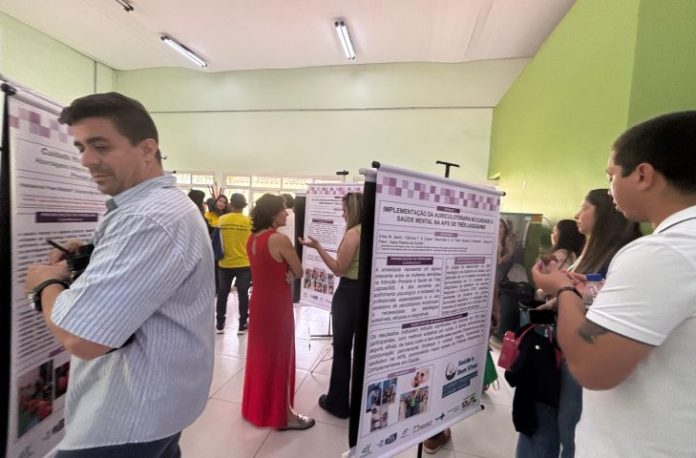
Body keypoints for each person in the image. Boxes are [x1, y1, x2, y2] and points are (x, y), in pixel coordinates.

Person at [23, 92, 214, 457]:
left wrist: (44, 284)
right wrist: (91, 256)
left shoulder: (147, 218)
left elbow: (83, 340)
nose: (86, 160)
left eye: (101, 146)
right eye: (81, 147)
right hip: (162, 405)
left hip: (126, 419)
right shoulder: (162, 205)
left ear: (147, 149)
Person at [532, 111, 696, 457]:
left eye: (611, 176)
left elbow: (591, 365)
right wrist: (593, 292)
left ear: (643, 175)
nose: (610, 189)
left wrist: (563, 290)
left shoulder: (663, 252)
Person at [520, 191, 640, 457]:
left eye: (584, 207)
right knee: (553, 419)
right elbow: (584, 291)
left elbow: (597, 310)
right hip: (563, 350)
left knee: (571, 426)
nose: (577, 214)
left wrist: (562, 290)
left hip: (584, 353)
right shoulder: (591, 251)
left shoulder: (624, 256)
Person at [242, 194, 314, 430]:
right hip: (276, 306)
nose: (286, 213)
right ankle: (285, 415)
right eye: (283, 210)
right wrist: (291, 272)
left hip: (258, 303)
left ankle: (257, 407)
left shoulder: (253, 238)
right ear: (273, 214)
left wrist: (287, 271)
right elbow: (299, 270)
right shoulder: (279, 239)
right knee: (280, 357)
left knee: (260, 356)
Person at [299, 191, 364, 419]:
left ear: (353, 210)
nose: (342, 214)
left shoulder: (353, 234)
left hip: (349, 294)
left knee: (342, 350)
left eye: (344, 210)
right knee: (362, 351)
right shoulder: (374, 231)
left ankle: (338, 404)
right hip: (367, 295)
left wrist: (318, 248)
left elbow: (338, 268)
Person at [215, 193, 252, 334]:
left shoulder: (222, 219)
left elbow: (217, 241)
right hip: (244, 263)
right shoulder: (249, 222)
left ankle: (220, 324)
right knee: (243, 295)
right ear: (244, 206)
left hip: (225, 263)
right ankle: (242, 324)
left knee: (222, 294)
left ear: (231, 204)